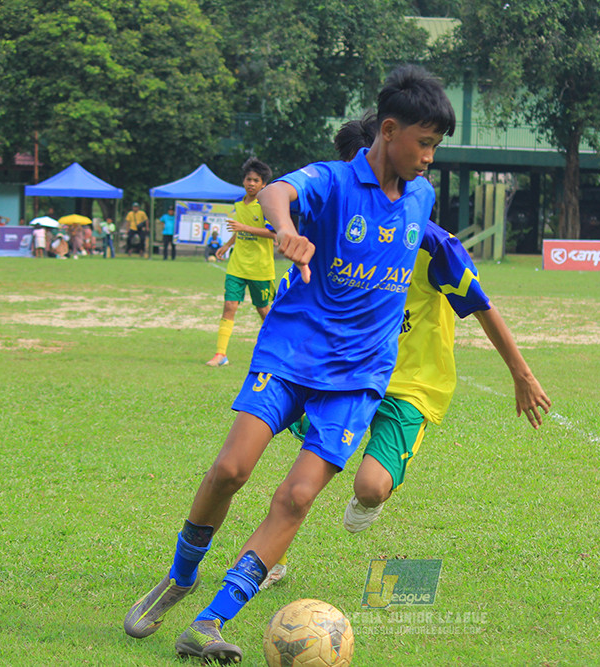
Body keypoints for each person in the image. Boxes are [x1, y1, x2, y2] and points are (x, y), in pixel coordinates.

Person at [123, 65, 456, 664]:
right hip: (294, 352)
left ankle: (209, 621)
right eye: (425, 143)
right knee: (230, 468)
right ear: (388, 130)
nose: (430, 157)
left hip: (359, 379)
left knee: (297, 497)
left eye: (435, 146)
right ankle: (181, 576)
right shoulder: (333, 180)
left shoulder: (424, 196)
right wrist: (284, 230)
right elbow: (278, 191)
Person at [259, 113, 551, 590]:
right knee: (303, 477)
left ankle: (368, 499)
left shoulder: (433, 246)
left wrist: (521, 373)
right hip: (345, 374)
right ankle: (270, 559)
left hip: (411, 385)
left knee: (369, 486)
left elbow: (481, 306)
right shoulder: (338, 227)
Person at [205, 158, 275, 368]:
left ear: (263, 184)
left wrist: (244, 228)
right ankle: (220, 354)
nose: (251, 183)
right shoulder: (237, 203)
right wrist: (227, 245)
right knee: (229, 306)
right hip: (237, 265)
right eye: (248, 179)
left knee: (263, 310)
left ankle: (277, 350)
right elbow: (239, 229)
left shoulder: (266, 204)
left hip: (260, 268)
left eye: (256, 180)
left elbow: (273, 233)